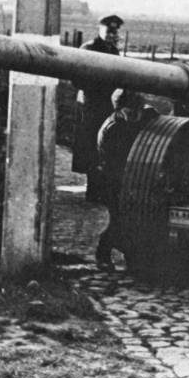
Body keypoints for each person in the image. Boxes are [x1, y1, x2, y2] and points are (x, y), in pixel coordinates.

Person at [95, 89, 159, 270]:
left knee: (138, 220)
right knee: (120, 220)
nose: (134, 117)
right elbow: (110, 164)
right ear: (119, 110)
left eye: (137, 112)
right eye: (129, 113)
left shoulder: (150, 115)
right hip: (115, 179)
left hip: (139, 176)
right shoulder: (112, 129)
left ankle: (133, 259)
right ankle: (103, 253)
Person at [71, 15, 125, 203]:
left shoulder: (113, 51)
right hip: (91, 106)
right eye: (108, 31)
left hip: (107, 106)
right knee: (91, 146)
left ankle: (101, 189)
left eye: (115, 31)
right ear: (100, 30)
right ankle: (93, 191)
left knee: (105, 145)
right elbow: (76, 77)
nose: (112, 34)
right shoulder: (89, 49)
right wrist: (96, 89)